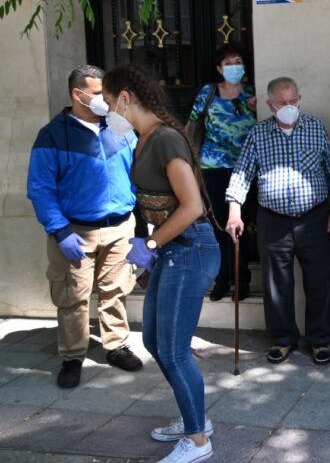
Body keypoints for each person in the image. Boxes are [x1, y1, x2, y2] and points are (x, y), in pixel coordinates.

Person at [101, 64, 220, 463]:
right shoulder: (143, 138)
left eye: (106, 103)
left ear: (125, 98)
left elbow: (193, 207)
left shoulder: (167, 139)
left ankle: (198, 441)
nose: (106, 112)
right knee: (154, 341)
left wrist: (149, 242)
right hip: (171, 251)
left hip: (191, 248)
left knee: (172, 350)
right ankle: (195, 419)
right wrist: (153, 247)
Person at [27, 65, 143, 389]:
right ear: (78, 95)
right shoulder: (52, 135)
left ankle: (116, 346)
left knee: (116, 291)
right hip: (75, 230)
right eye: (98, 94)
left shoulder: (120, 127)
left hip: (120, 226)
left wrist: (144, 224)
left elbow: (140, 171)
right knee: (72, 296)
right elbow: (40, 188)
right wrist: (59, 230)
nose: (106, 99)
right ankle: (73, 355)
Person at [225, 77, 330, 366]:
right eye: (282, 103)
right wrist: (234, 210)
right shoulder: (259, 134)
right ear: (270, 104)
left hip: (314, 217)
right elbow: (242, 174)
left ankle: (320, 340)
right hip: (273, 220)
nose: (289, 107)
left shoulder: (315, 127)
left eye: (293, 101)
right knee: (276, 283)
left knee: (319, 281)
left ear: (299, 99)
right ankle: (282, 339)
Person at [185, 44, 257, 301]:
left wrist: (257, 107)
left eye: (238, 61)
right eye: (228, 63)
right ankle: (221, 279)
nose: (233, 67)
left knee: (242, 225)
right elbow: (192, 125)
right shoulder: (208, 92)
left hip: (246, 168)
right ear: (219, 68)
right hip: (212, 168)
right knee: (218, 226)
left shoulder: (253, 93)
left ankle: (241, 279)